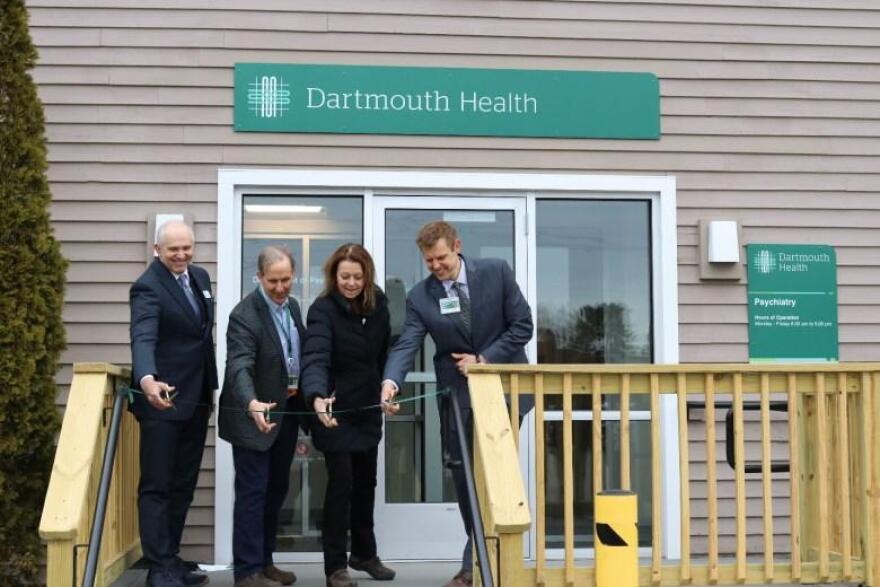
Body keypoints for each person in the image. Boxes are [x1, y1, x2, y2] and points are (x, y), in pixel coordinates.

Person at [382, 221, 533, 587]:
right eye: (429, 260)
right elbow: (407, 344)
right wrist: (391, 381)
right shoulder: (420, 297)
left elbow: (522, 326)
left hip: (504, 390)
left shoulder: (496, 272)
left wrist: (482, 360)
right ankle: (478, 555)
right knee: (464, 476)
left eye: (442, 258)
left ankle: (475, 565)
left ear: (458, 246)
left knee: (494, 475)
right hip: (457, 395)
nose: (436, 266)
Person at [301, 244, 396, 587]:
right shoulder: (322, 310)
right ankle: (335, 567)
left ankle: (364, 554)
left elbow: (384, 356)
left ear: (367, 276)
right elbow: (315, 357)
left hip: (367, 409)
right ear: (334, 275)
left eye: (357, 277)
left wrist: (388, 390)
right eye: (345, 277)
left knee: (366, 483)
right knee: (341, 485)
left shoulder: (379, 305)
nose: (351, 283)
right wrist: (316, 397)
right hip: (333, 410)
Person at [129, 219, 215, 587]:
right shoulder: (147, 286)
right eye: (173, 249)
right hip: (162, 400)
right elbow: (143, 336)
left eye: (186, 248)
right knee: (157, 485)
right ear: (157, 250)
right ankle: (158, 567)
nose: (181, 255)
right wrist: (147, 378)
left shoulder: (200, 278)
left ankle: (171, 557)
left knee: (183, 484)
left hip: (197, 398)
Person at [218, 246, 307, 587]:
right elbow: (239, 366)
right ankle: (247, 572)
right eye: (273, 282)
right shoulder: (244, 315)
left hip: (285, 413)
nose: (281, 288)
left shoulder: (293, 307)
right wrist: (251, 402)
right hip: (253, 416)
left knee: (276, 490)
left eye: (286, 280)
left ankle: (266, 562)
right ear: (258, 278)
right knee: (253, 493)